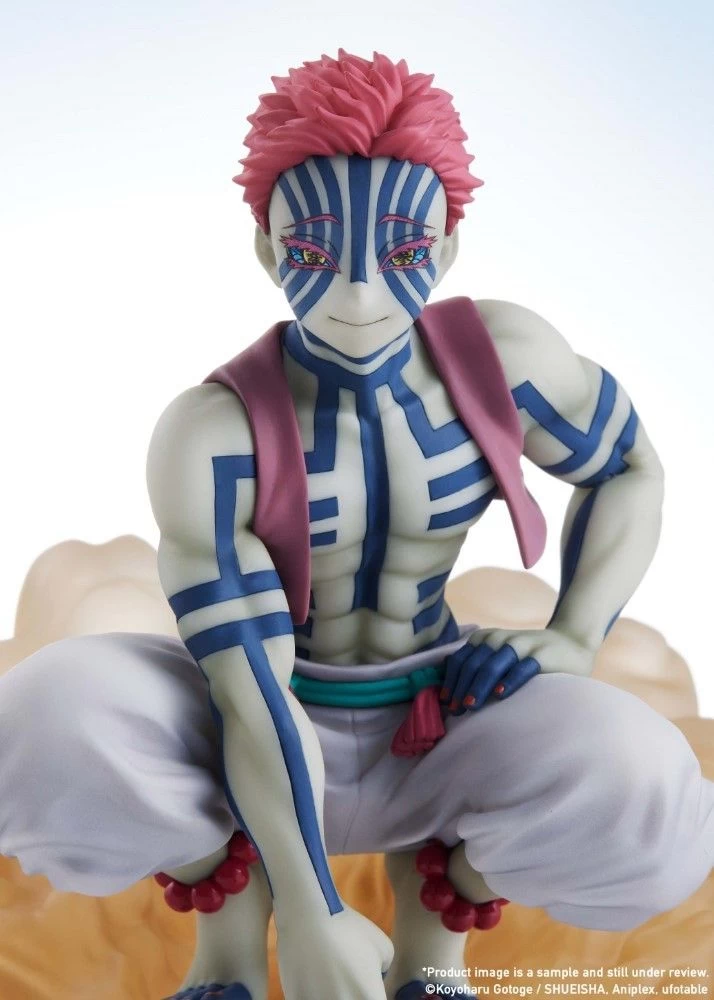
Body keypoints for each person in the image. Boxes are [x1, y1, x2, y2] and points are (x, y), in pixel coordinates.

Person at [1, 50, 712, 1000]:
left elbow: (629, 468)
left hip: (447, 714)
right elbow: (251, 690)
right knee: (45, 714)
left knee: (648, 787)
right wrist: (310, 910)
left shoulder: (506, 360)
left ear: (447, 249)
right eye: (313, 254)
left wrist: (575, 635)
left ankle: (435, 951)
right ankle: (228, 957)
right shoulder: (213, 433)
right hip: (249, 715)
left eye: (404, 254)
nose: (359, 295)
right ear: (267, 250)